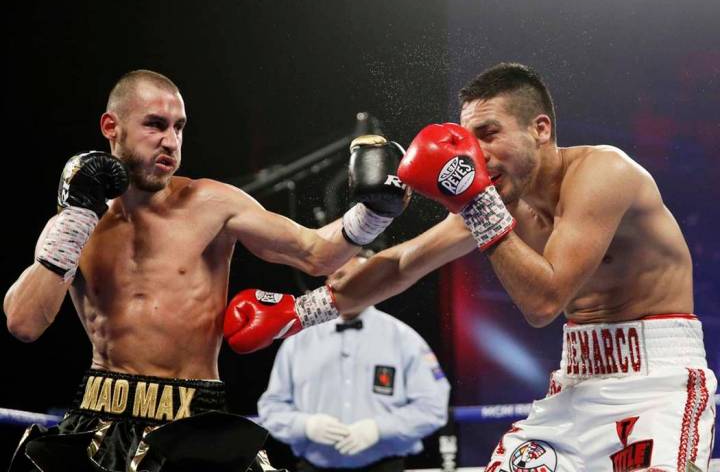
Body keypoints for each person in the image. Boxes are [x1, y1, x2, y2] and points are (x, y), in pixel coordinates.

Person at [224, 63, 717, 471]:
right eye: (468, 138)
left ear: (540, 129)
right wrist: (300, 312)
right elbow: (402, 264)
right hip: (576, 387)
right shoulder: (502, 204)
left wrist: (478, 204)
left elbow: (545, 301)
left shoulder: (604, 173)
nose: (476, 153)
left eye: (490, 133)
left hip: (657, 386)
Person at [3, 69, 409, 471]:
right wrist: (75, 220)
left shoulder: (212, 203)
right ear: (112, 127)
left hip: (193, 418)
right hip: (99, 414)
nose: (170, 141)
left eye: (179, 128)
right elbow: (24, 323)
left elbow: (316, 253)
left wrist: (375, 212)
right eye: (155, 125)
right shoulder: (77, 222)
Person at [256, 250, 450, 472]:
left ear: (374, 283)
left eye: (358, 277)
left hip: (384, 466)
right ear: (327, 282)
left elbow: (433, 406)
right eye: (340, 277)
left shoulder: (404, 339)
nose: (349, 285)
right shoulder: (299, 341)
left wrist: (380, 429)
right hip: (313, 466)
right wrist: (305, 426)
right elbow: (271, 408)